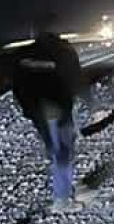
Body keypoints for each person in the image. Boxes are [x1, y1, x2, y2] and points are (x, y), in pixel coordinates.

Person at [12, 15, 84, 205]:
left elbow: (17, 86)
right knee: (64, 151)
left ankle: (63, 192)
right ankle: (62, 198)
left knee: (55, 150)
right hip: (59, 107)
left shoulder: (23, 55)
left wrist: (27, 110)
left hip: (37, 110)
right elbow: (76, 81)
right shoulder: (64, 51)